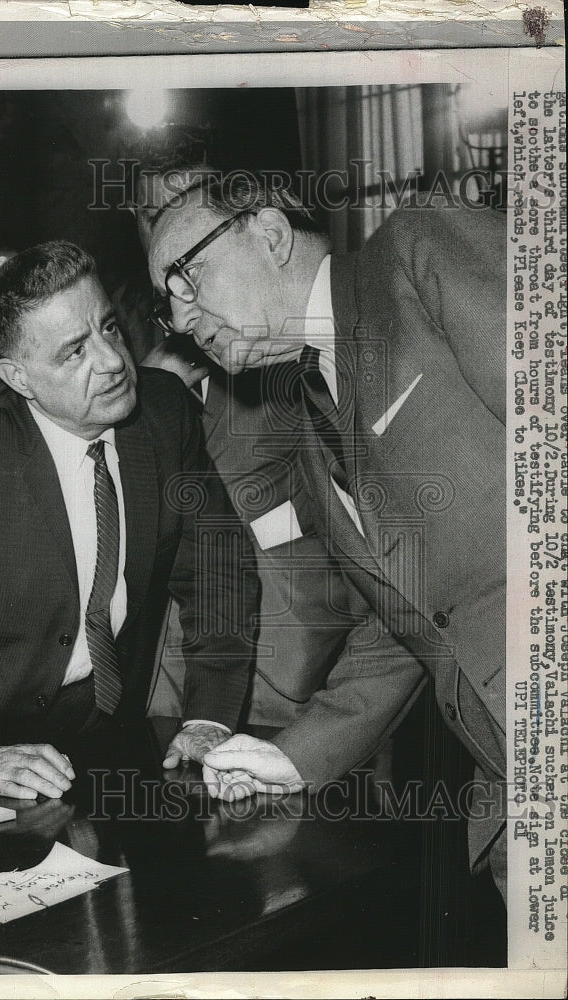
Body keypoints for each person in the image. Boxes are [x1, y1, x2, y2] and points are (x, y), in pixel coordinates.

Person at [147, 174, 507, 898]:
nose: (182, 321)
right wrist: (295, 758)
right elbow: (408, 624)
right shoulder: (313, 429)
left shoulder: (417, 247)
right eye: (167, 307)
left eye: (186, 279)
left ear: (271, 235)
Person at [0, 240, 255, 800]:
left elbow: (218, 570)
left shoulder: (163, 414)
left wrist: (208, 717)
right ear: (19, 379)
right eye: (74, 352)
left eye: (109, 328)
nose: (113, 361)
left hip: (112, 749)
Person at [125, 163, 360, 729]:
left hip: (286, 658)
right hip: (153, 668)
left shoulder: (293, 325)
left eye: (186, 203)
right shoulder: (119, 326)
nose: (167, 221)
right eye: (153, 213)